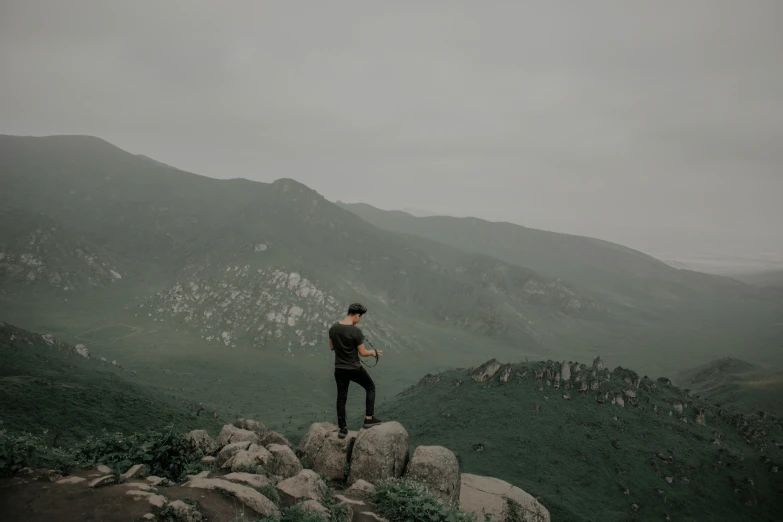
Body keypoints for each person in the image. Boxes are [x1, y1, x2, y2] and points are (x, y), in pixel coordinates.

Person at [329, 302, 383, 438]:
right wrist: (373, 352)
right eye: (360, 318)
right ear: (357, 316)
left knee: (341, 397)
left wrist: (343, 347)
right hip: (353, 368)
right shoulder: (356, 331)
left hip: (339, 368)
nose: (359, 321)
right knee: (370, 387)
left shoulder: (333, 328)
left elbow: (331, 347)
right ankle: (368, 419)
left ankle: (342, 428)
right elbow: (363, 353)